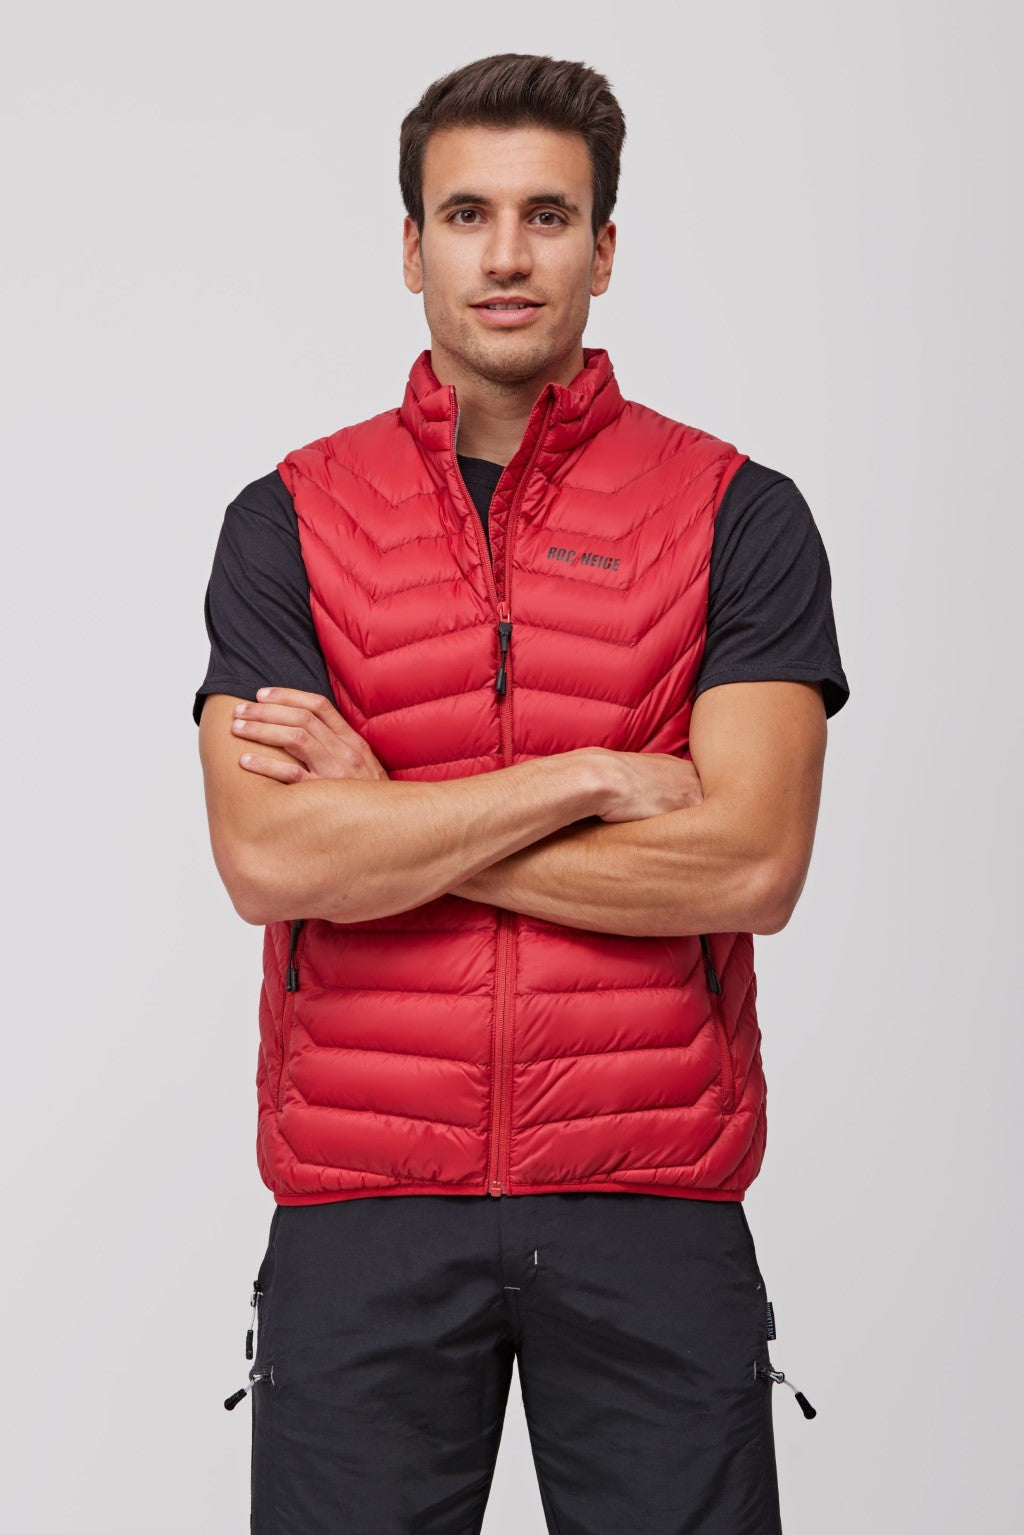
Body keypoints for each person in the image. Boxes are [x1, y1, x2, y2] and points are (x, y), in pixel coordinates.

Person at [197, 51, 849, 1535]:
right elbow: (268, 858)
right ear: (410, 246)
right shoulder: (288, 519)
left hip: (651, 1196)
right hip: (363, 1200)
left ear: (604, 250)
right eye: (467, 214)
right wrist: (586, 779)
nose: (506, 256)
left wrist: (389, 815)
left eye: (548, 216)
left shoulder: (736, 514)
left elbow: (750, 866)